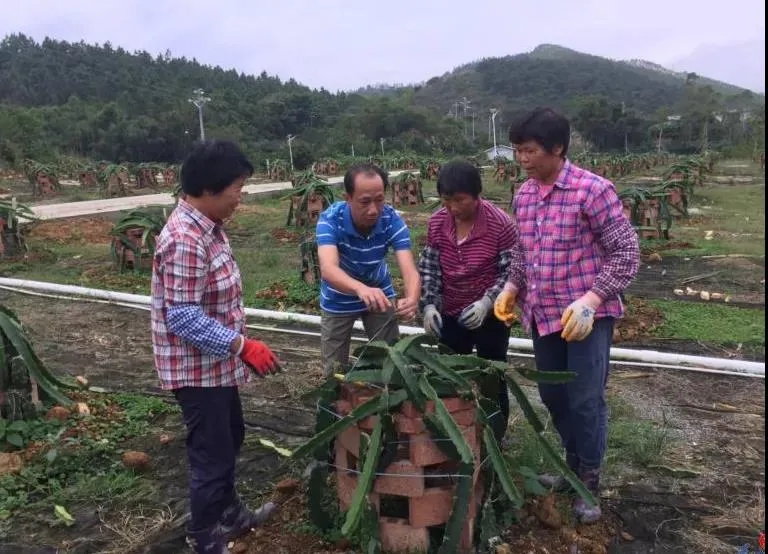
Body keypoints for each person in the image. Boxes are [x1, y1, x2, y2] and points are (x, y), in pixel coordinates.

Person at [494, 107, 640, 524]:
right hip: (542, 314)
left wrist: (591, 300)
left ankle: (589, 480)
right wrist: (510, 288)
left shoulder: (593, 191)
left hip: (584, 319)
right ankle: (572, 464)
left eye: (530, 150)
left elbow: (626, 254)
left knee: (585, 399)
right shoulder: (523, 195)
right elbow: (524, 253)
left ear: (557, 148)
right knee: (553, 395)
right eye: (518, 150)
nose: (522, 159)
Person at [151, 140, 282, 553]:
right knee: (211, 455)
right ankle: (205, 536)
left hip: (216, 366)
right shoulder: (186, 239)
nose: (240, 196)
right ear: (209, 187)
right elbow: (183, 316)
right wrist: (242, 345)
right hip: (195, 370)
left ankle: (231, 514)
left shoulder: (209, 228)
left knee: (231, 436)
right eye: (237, 187)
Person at [418, 160, 517, 441]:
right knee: (449, 371)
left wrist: (487, 303)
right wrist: (429, 305)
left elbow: (510, 273)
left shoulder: (501, 225)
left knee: (492, 373)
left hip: (491, 316)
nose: (452, 208)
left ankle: (495, 435)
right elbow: (430, 268)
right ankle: (453, 432)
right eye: (446, 200)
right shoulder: (437, 223)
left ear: (476, 195)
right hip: (451, 312)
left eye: (459, 200)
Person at [316, 163, 421, 376]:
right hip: (339, 296)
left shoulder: (390, 219)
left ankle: (387, 404)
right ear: (348, 197)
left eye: (379, 200)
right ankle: (335, 407)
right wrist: (360, 289)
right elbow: (328, 269)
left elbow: (409, 269)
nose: (373, 210)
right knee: (334, 371)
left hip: (379, 293)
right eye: (365, 202)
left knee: (391, 360)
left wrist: (412, 298)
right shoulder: (330, 220)